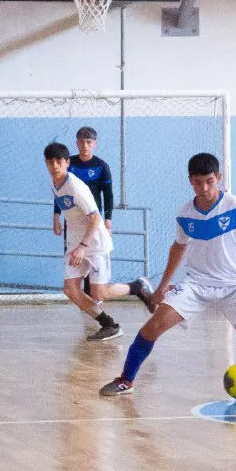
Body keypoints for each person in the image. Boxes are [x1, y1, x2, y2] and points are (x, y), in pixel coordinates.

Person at [99, 154, 236, 396]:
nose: (204, 188)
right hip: (196, 284)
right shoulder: (185, 214)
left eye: (209, 181)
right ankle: (126, 380)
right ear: (190, 181)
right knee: (152, 327)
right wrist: (162, 286)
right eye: (198, 183)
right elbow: (178, 247)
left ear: (218, 177)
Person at [44, 142, 154, 340]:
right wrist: (56, 218)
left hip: (94, 243)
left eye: (59, 161)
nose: (54, 166)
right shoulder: (54, 182)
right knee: (70, 290)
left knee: (99, 293)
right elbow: (62, 203)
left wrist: (83, 246)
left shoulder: (76, 187)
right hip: (75, 243)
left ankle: (137, 287)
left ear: (67, 162)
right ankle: (109, 325)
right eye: (50, 162)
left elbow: (95, 218)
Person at [52, 126, 115, 297]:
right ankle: (83, 298)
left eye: (89, 142)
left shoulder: (102, 166)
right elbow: (59, 192)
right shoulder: (69, 164)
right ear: (76, 143)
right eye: (81, 142)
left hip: (92, 220)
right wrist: (56, 216)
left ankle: (93, 296)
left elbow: (108, 195)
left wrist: (108, 221)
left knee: (91, 256)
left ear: (95, 144)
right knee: (74, 258)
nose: (85, 146)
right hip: (72, 221)